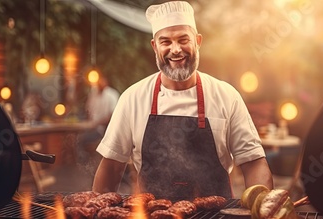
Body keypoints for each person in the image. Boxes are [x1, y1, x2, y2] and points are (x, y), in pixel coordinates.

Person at [92, 1, 273, 199]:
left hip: (216, 214)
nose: (175, 49)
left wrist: (262, 205)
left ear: (198, 41)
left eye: (183, 39)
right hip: (151, 213)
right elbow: (110, 168)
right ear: (154, 46)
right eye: (166, 42)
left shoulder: (226, 97)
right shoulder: (132, 99)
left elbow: (254, 163)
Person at [75, 74, 119, 164]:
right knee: (74, 138)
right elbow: (88, 110)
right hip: (91, 127)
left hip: (103, 129)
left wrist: (96, 123)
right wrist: (89, 122)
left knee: (80, 139)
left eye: (102, 80)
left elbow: (112, 116)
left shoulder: (112, 95)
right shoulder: (93, 93)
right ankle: (84, 163)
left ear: (106, 81)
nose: (99, 83)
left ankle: (84, 164)